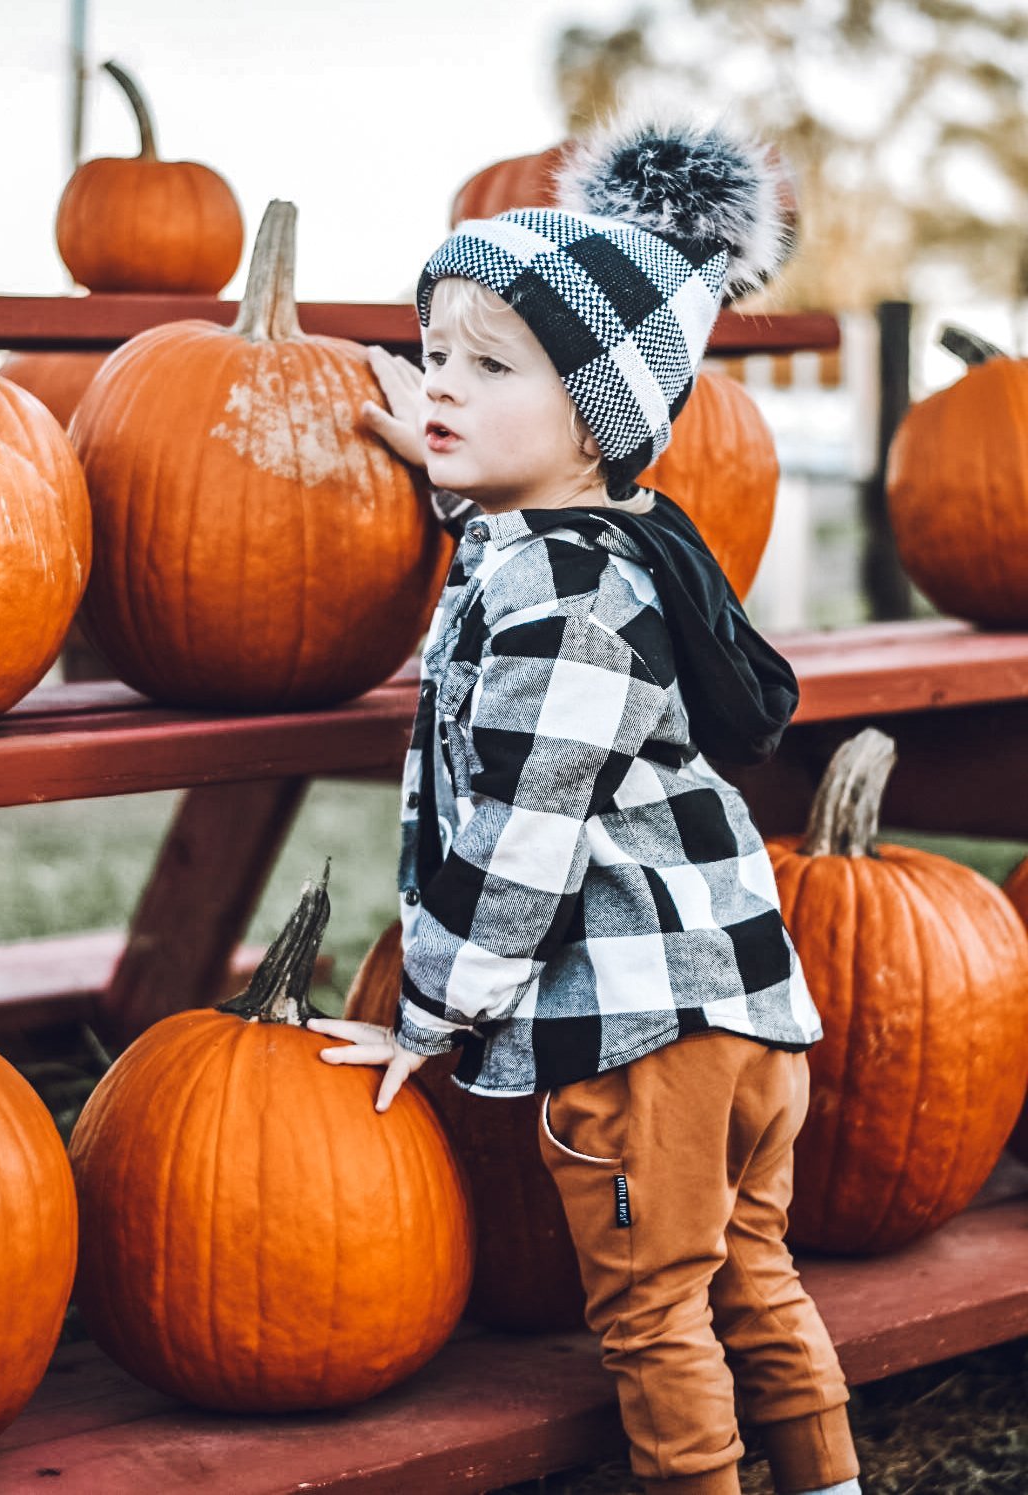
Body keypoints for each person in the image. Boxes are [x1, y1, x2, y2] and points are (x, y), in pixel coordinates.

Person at [307, 111, 862, 1495]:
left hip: (639, 1036)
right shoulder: (618, 544)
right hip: (742, 1012)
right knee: (754, 1282)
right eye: (436, 353)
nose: (440, 385)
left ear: (596, 413)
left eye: (485, 366)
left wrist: (430, 1014)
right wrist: (436, 451)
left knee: (654, 1319)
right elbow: (523, 526)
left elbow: (525, 842)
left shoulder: (554, 602)